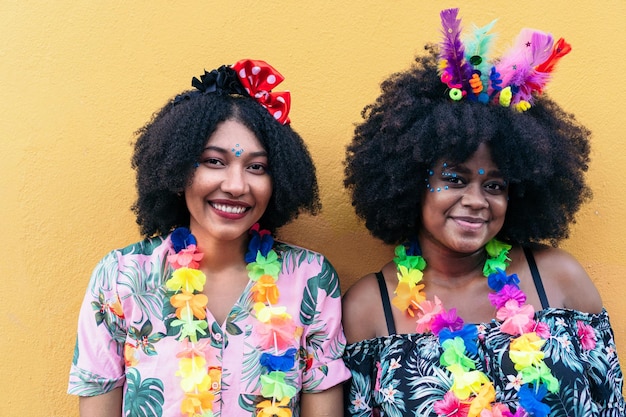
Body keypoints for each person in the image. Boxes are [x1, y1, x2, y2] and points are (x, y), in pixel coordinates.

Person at [342, 8, 625, 417]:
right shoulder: (369, 306)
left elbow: (611, 402)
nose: (477, 200)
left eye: (494, 185)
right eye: (455, 179)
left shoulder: (560, 278)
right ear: (407, 182)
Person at [68, 58, 350, 417]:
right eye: (214, 161)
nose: (235, 186)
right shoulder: (119, 278)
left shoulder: (311, 278)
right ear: (178, 167)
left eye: (256, 167)